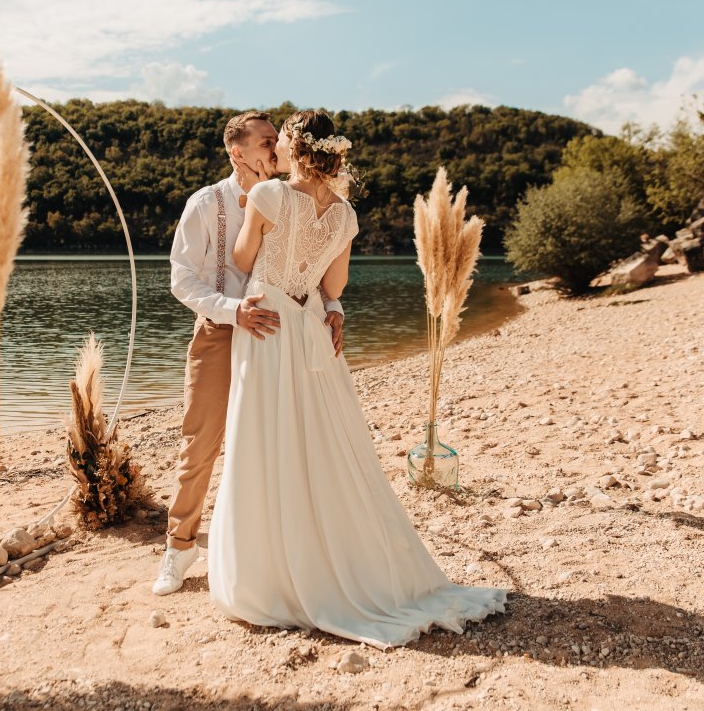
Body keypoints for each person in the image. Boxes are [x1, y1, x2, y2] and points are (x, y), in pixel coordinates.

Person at [207, 110, 507, 648]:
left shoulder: (268, 197)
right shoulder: (345, 215)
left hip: (267, 324)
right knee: (323, 444)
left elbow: (242, 256)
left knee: (265, 439)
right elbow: (334, 284)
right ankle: (343, 561)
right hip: (309, 327)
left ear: (296, 148)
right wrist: (329, 304)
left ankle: (272, 575)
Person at [156, 111, 345, 595]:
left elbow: (316, 267)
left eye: (275, 141)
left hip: (281, 335)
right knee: (200, 445)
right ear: (237, 152)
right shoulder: (206, 203)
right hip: (222, 331)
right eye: (265, 142)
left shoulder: (294, 198)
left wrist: (334, 306)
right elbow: (182, 278)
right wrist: (231, 309)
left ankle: (275, 554)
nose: (274, 150)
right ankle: (179, 549)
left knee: (278, 444)